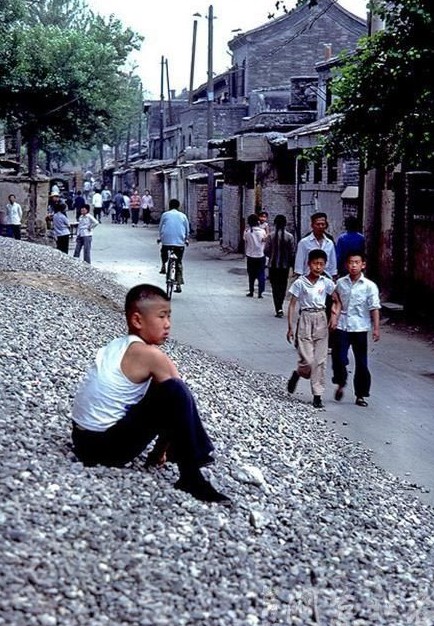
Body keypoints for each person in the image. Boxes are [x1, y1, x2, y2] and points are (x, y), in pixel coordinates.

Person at [71, 283, 231, 505]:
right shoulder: (151, 355)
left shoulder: (118, 345)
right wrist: (161, 450)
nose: (168, 325)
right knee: (175, 390)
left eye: (169, 317)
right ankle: (191, 476)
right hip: (104, 450)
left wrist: (159, 451)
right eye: (161, 317)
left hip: (81, 440)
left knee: (167, 390)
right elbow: (179, 401)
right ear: (137, 320)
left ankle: (171, 459)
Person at [286, 249, 335, 408]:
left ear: (324, 266)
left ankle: (317, 395)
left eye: (321, 264)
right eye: (315, 263)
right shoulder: (300, 283)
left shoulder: (325, 282)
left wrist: (334, 314)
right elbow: (292, 305)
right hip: (305, 319)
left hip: (321, 318)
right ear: (309, 264)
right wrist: (290, 327)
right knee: (307, 360)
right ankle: (298, 373)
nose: (318, 267)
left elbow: (337, 298)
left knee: (320, 360)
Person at [330, 253, 381, 407]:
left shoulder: (369, 286)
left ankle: (360, 394)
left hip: (360, 327)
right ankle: (341, 381)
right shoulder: (340, 283)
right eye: (351, 262)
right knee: (338, 358)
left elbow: (374, 308)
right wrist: (333, 318)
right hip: (342, 326)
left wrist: (376, 329)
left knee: (361, 362)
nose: (353, 266)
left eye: (357, 262)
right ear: (347, 265)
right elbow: (335, 301)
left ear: (363, 265)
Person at [264, 214, 295, 317]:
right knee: (282, 286)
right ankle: (280, 306)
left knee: (275, 287)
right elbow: (292, 252)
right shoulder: (289, 237)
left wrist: (273, 256)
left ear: (275, 224)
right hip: (284, 267)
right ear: (285, 224)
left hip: (273, 266)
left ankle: (278, 308)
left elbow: (266, 251)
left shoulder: (270, 236)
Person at [158, 198, 189, 293]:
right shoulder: (183, 216)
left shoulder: (165, 215)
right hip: (179, 242)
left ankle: (163, 265)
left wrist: (160, 237)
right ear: (178, 206)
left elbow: (161, 228)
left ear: (169, 206)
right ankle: (178, 284)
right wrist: (186, 239)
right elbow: (187, 229)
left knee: (164, 251)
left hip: (166, 241)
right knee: (178, 262)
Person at [294, 212, 337, 279]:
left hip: (326, 278)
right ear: (312, 225)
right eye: (318, 224)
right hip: (308, 278)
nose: (320, 227)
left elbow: (333, 264)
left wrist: (333, 277)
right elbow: (299, 266)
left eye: (323, 224)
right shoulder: (304, 243)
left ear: (326, 225)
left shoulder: (329, 243)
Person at [243, 213, 267, 298]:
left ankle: (251, 291)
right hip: (261, 255)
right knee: (261, 274)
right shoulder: (262, 232)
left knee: (251, 274)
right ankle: (260, 292)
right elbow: (265, 241)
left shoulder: (247, 232)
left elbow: (245, 241)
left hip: (250, 255)